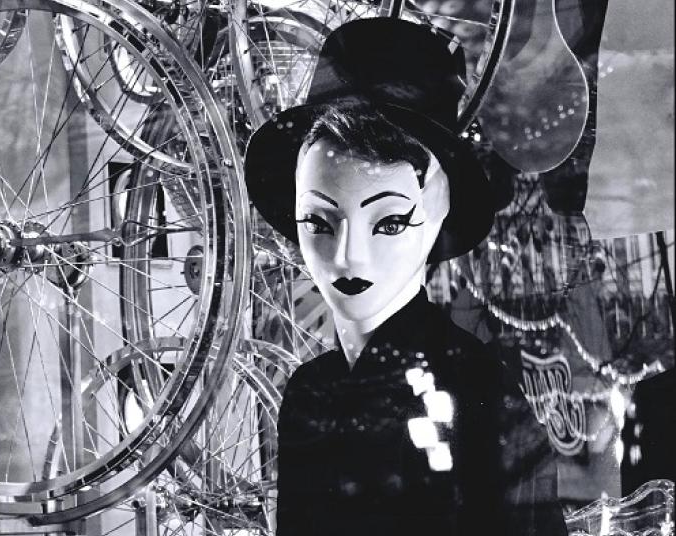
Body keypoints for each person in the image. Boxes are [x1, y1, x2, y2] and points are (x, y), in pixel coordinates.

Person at [243, 18, 568, 536]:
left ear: (437, 209)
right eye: (319, 222)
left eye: (389, 223)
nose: (349, 257)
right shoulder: (310, 391)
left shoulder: (476, 388)